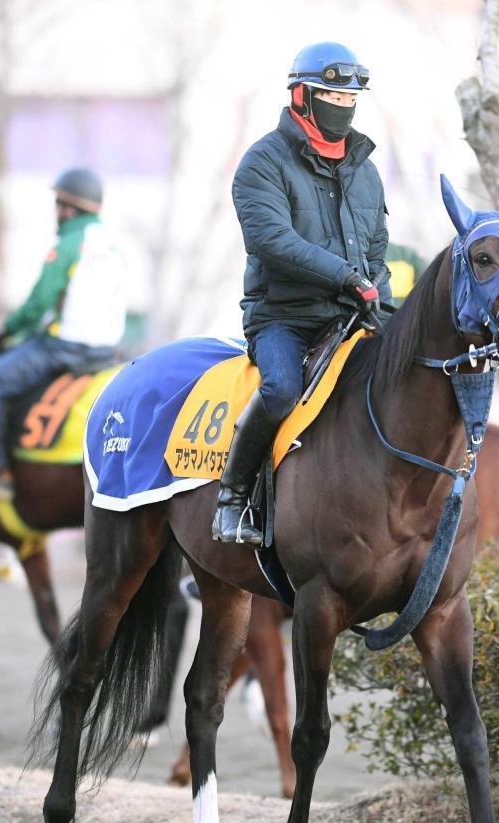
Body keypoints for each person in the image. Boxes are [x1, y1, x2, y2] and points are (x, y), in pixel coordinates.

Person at [212, 40, 392, 546]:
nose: (344, 109)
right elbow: (271, 240)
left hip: (352, 316)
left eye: (351, 101)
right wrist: (346, 277)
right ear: (301, 97)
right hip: (284, 318)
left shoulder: (367, 170)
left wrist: (377, 287)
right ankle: (233, 499)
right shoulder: (262, 162)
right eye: (333, 99)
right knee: (281, 390)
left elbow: (377, 246)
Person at [0, 167, 127, 500]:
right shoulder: (113, 247)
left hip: (64, 349)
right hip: (106, 353)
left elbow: (38, 305)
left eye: (58, 205)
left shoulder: (67, 245)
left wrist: (4, 331)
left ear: (67, 208)